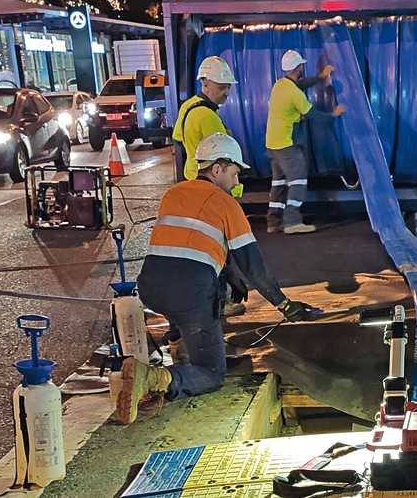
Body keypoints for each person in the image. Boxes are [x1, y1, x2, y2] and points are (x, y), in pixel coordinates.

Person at [114, 132, 316, 425]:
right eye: (234, 173)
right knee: (211, 372)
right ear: (217, 168)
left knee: (197, 295)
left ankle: (178, 342)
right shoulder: (226, 204)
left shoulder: (173, 193)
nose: (236, 181)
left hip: (151, 288)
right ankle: (157, 379)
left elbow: (190, 243)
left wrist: (229, 273)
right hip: (188, 294)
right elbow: (253, 265)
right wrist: (284, 304)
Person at [265, 50, 346, 234]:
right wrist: (334, 114)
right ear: (298, 67)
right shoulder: (295, 94)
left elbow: (301, 84)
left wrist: (320, 77)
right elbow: (314, 115)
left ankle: (273, 221)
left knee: (278, 183)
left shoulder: (280, 85)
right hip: (286, 144)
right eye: (301, 65)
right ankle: (292, 222)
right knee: (298, 179)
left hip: (272, 143)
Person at [173, 56, 236, 181]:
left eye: (228, 87)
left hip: (191, 175)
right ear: (205, 84)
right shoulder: (207, 115)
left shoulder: (187, 105)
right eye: (221, 87)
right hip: (209, 179)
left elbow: (177, 137)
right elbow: (223, 158)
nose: (227, 93)